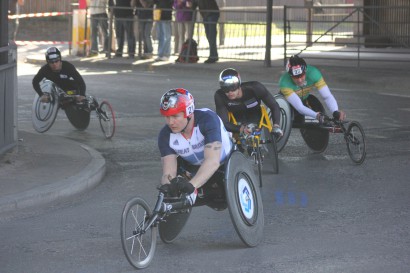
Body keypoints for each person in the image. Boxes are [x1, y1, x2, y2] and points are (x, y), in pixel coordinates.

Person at [158, 88, 233, 206]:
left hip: (225, 163)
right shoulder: (165, 135)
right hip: (194, 168)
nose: (170, 122)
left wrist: (191, 185)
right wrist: (168, 184)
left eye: (175, 116)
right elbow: (168, 172)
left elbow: (213, 161)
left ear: (188, 112)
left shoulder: (207, 119)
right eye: (167, 117)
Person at [214, 68, 283, 137]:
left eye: (233, 87)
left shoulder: (256, 88)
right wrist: (241, 128)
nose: (230, 92)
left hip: (256, 115)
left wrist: (276, 125)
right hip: (236, 119)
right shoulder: (219, 96)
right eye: (225, 88)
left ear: (239, 84)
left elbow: (274, 106)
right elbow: (224, 123)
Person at [279, 55, 346, 124]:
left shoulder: (314, 73)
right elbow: (299, 107)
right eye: (295, 77)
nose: (299, 80)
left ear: (306, 71)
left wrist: (335, 111)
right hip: (288, 104)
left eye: (301, 75)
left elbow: (327, 96)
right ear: (289, 75)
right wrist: (316, 115)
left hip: (305, 100)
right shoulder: (284, 82)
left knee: (322, 118)